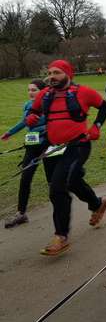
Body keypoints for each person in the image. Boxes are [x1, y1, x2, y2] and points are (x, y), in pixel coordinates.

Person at [25, 60, 106, 255]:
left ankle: (61, 236)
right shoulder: (45, 95)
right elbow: (34, 111)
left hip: (77, 146)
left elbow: (104, 107)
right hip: (53, 148)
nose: (52, 77)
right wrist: (31, 117)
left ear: (68, 74)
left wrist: (96, 126)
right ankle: (98, 204)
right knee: (70, 181)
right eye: (50, 73)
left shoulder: (83, 92)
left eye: (57, 72)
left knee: (58, 187)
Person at [2, 79, 47, 228]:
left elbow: (52, 122)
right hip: (32, 144)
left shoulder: (48, 104)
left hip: (48, 144)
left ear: (42, 91)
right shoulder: (28, 105)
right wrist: (9, 132)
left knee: (53, 180)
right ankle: (21, 213)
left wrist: (42, 130)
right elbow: (24, 122)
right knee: (25, 177)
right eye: (29, 90)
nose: (30, 93)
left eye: (34, 90)